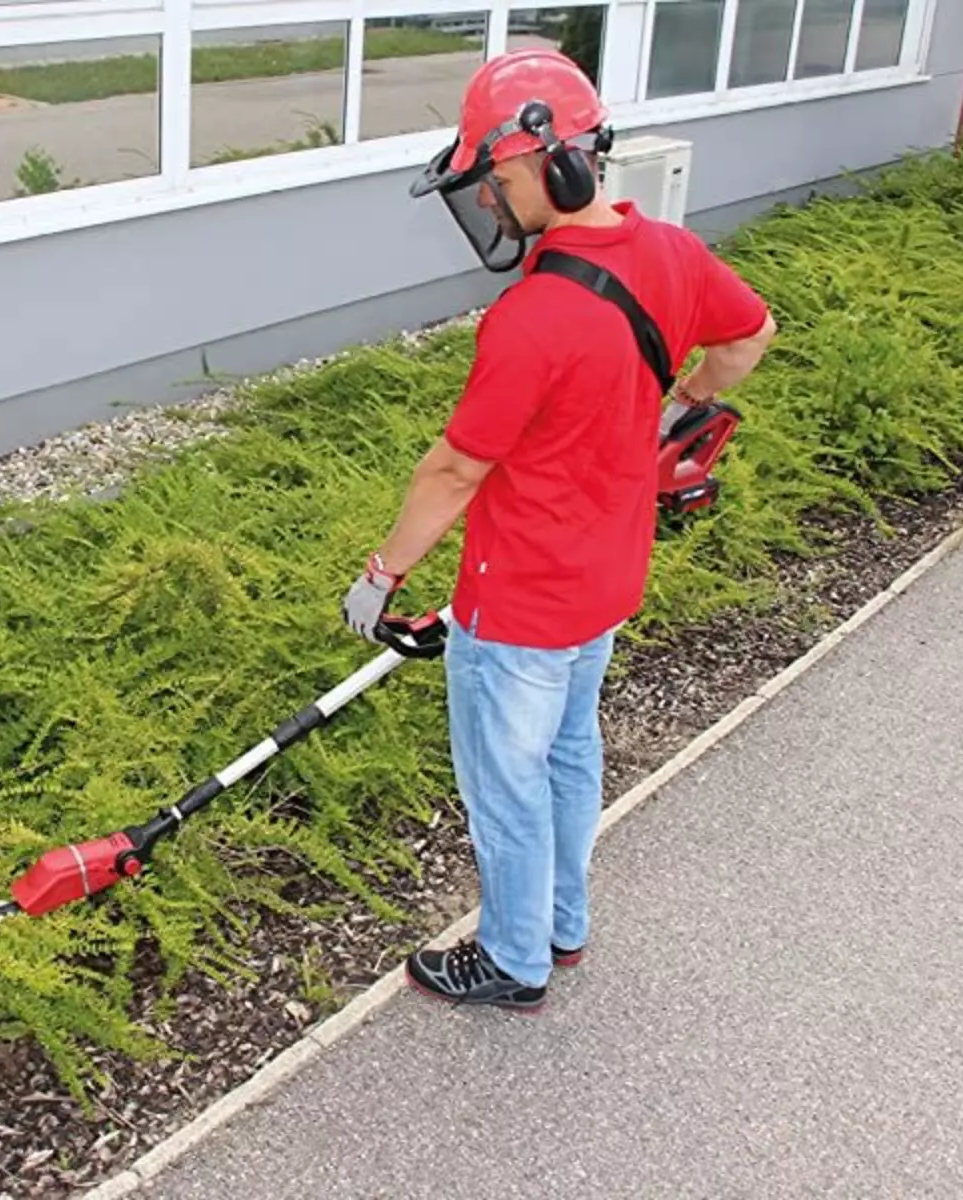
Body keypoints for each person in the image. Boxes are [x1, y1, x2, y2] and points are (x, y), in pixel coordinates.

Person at [341, 48, 777, 1013]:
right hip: (607, 584)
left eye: (495, 180)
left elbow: (455, 469)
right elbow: (751, 334)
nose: (491, 202)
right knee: (572, 750)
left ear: (557, 166)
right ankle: (562, 922)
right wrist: (683, 403)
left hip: (520, 603)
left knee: (506, 784)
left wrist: (380, 578)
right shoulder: (672, 253)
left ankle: (512, 960)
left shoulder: (532, 317)